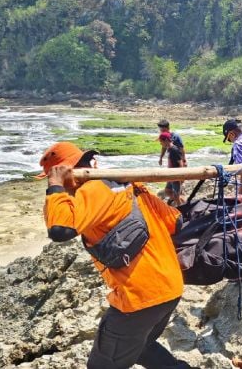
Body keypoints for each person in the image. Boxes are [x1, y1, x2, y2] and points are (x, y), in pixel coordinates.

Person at [37, 141, 190, 369]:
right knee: (142, 347)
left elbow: (60, 230)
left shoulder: (93, 189)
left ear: (67, 172)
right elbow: (175, 222)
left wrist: (55, 186)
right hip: (170, 288)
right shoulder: (131, 185)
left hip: (139, 297)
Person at [159, 131, 185, 206]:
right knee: (167, 191)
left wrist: (181, 177)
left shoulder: (174, 150)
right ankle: (181, 201)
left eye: (161, 141)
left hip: (176, 175)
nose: (160, 143)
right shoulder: (169, 149)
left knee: (177, 195)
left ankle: (181, 207)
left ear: (166, 140)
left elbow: (180, 163)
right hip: (171, 175)